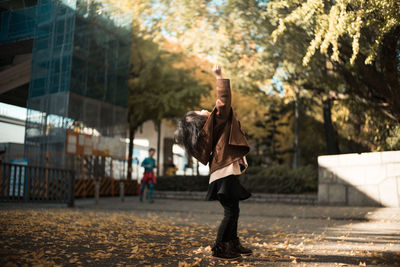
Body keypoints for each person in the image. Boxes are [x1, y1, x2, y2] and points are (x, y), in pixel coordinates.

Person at [174, 65, 252, 261]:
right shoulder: (215, 123)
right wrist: (219, 76)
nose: (204, 109)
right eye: (200, 111)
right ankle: (220, 248)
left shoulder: (212, 131)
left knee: (233, 210)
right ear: (201, 121)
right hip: (224, 174)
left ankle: (232, 244)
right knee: (230, 212)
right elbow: (223, 100)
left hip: (224, 173)